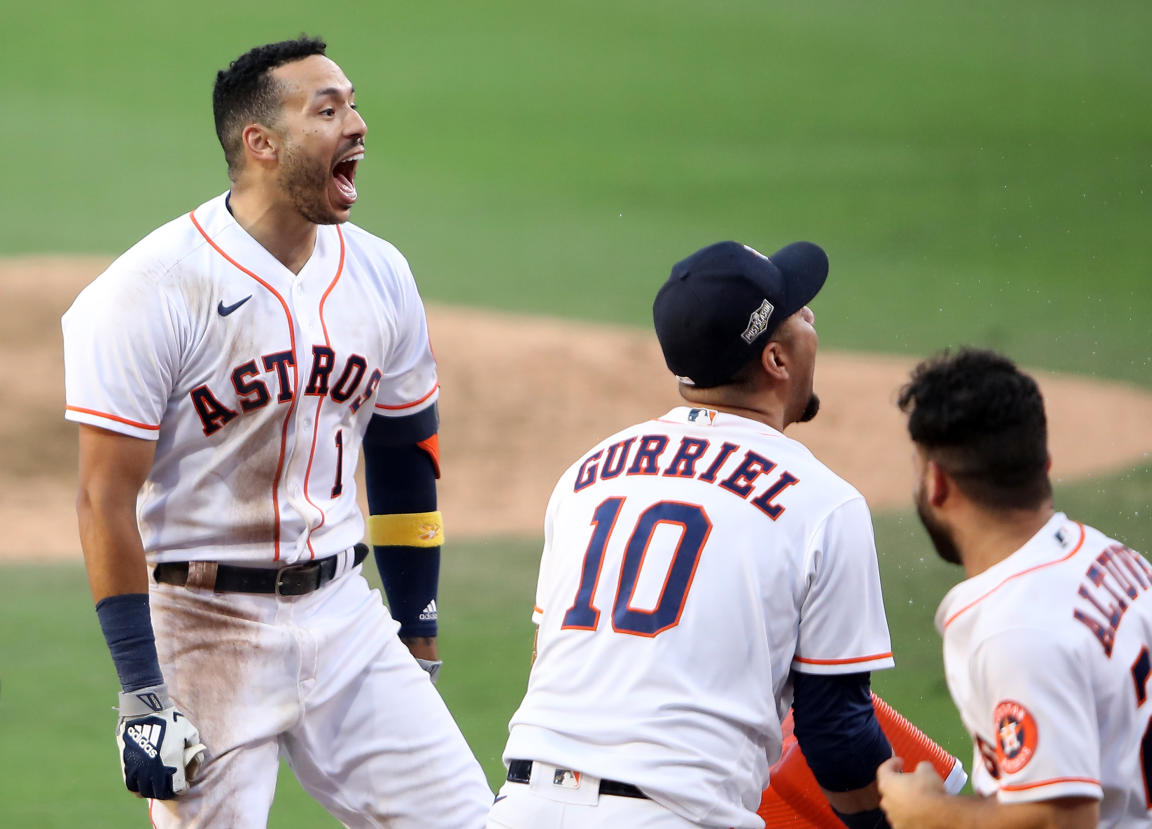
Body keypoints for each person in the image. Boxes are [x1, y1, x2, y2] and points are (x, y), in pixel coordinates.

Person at [61, 36, 492, 828]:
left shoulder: (380, 273)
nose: (357, 124)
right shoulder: (150, 291)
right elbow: (102, 497)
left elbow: (403, 452)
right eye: (327, 111)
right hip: (203, 627)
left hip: (345, 613)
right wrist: (142, 691)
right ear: (260, 144)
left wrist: (417, 625)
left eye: (353, 103)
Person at [487, 240, 897, 829]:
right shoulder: (825, 504)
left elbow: (547, 659)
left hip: (520, 806)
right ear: (776, 361)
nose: (813, 318)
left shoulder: (585, 476)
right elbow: (837, 733)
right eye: (800, 311)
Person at [877, 347, 1152, 828]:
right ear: (1043, 463)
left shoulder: (1017, 630)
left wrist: (929, 813)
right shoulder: (1114, 559)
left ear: (938, 483)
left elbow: (1061, 822)